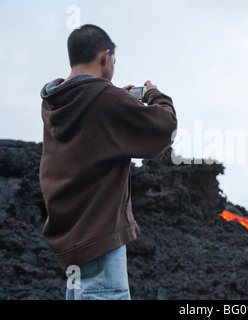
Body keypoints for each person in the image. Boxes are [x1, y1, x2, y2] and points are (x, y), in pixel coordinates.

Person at [39, 24, 177, 300]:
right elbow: (165, 127)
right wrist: (152, 95)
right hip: (100, 244)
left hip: (73, 247)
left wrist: (117, 99)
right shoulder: (106, 100)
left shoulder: (55, 102)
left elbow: (95, 124)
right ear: (105, 57)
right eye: (114, 59)